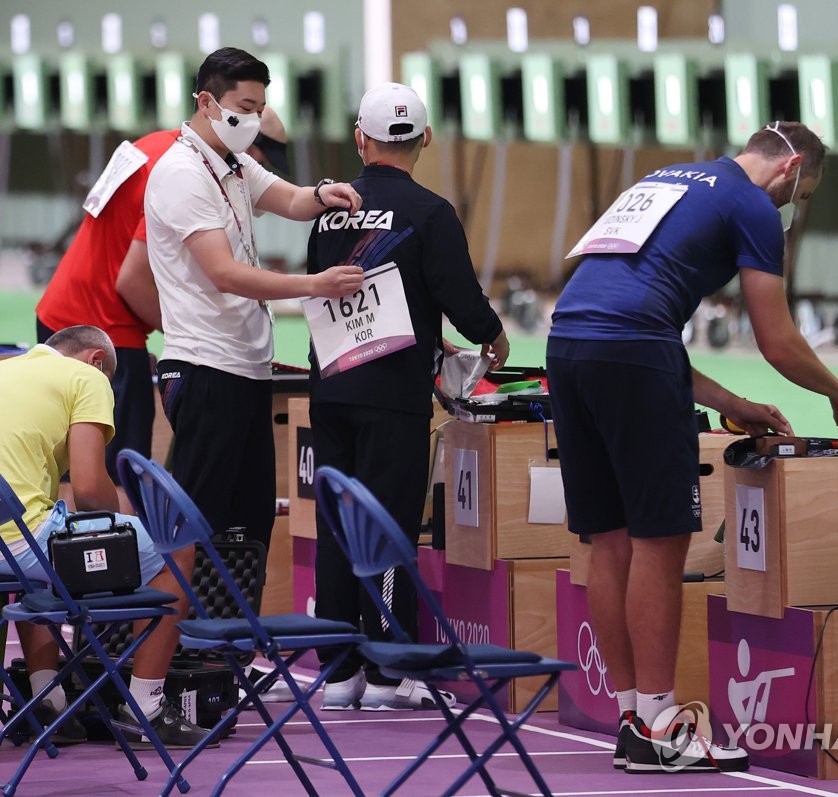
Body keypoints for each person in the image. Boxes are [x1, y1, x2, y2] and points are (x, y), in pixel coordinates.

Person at [546, 121, 838, 774]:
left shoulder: (665, 179)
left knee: (610, 538)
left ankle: (630, 718)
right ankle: (661, 725)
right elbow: (777, 339)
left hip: (567, 346)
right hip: (632, 354)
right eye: (803, 195)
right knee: (660, 538)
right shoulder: (753, 205)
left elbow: (630, 316)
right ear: (789, 168)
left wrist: (732, 405)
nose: (794, 208)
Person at [305, 82, 509, 710]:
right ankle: (391, 671)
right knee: (388, 524)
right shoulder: (430, 211)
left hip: (332, 387)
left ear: (360, 139)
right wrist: (491, 336)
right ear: (425, 139)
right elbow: (454, 291)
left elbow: (348, 287)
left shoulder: (328, 209)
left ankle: (339, 670)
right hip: (393, 395)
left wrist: (429, 335)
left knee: (337, 521)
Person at [143, 47, 363, 554]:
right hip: (204, 370)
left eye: (260, 109)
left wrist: (326, 192)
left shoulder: (234, 164)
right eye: (244, 107)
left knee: (248, 526)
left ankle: (229, 630)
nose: (253, 119)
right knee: (195, 527)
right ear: (206, 102)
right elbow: (223, 273)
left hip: (244, 371)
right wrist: (315, 285)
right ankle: (175, 634)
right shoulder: (183, 173)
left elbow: (290, 198)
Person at [34, 109, 292, 501]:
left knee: (68, 471)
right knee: (118, 480)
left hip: (63, 315)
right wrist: (197, 343)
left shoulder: (158, 144)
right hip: (104, 330)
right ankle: (116, 562)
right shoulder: (181, 170)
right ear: (249, 148)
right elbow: (132, 281)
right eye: (262, 163)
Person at [0, 326, 211, 748]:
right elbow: (89, 490)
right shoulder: (89, 377)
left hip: (12, 541)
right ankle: (145, 708)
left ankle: (48, 702)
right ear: (97, 360)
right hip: (20, 539)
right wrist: (124, 519)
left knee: (43, 561)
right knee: (176, 547)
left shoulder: (7, 369)